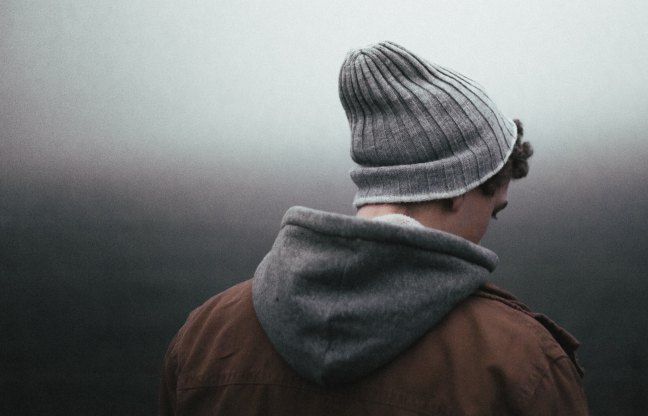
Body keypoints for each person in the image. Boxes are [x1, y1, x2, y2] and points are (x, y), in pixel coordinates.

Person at [159, 41, 588, 415]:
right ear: (458, 187)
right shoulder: (521, 363)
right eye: (493, 210)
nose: (488, 228)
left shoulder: (205, 337)